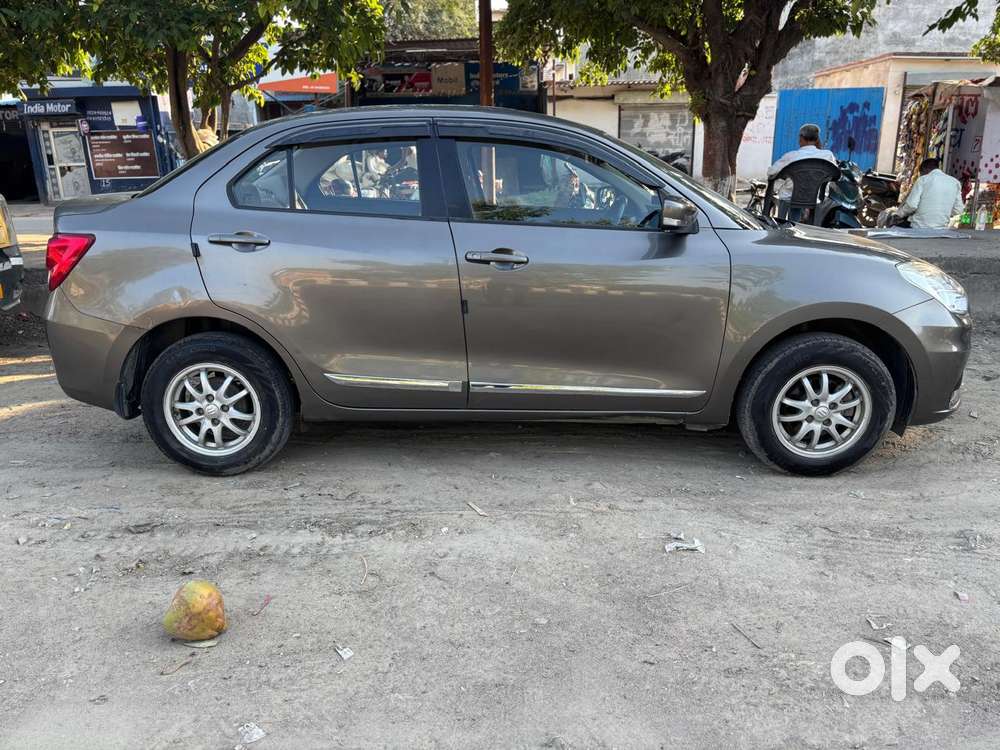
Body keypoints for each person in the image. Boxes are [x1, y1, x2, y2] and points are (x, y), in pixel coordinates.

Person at [767, 123, 837, 220]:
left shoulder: (791, 156)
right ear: (817, 139)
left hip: (789, 197)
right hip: (814, 199)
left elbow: (771, 172)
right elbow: (836, 175)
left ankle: (782, 223)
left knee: (784, 194)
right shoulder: (828, 155)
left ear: (801, 138)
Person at [894, 158, 964, 228]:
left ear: (925, 169)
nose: (921, 175)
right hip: (941, 229)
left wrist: (900, 214)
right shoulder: (955, 182)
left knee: (894, 227)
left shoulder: (922, 180)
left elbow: (911, 205)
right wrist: (942, 211)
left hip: (918, 227)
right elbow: (958, 210)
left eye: (921, 173)